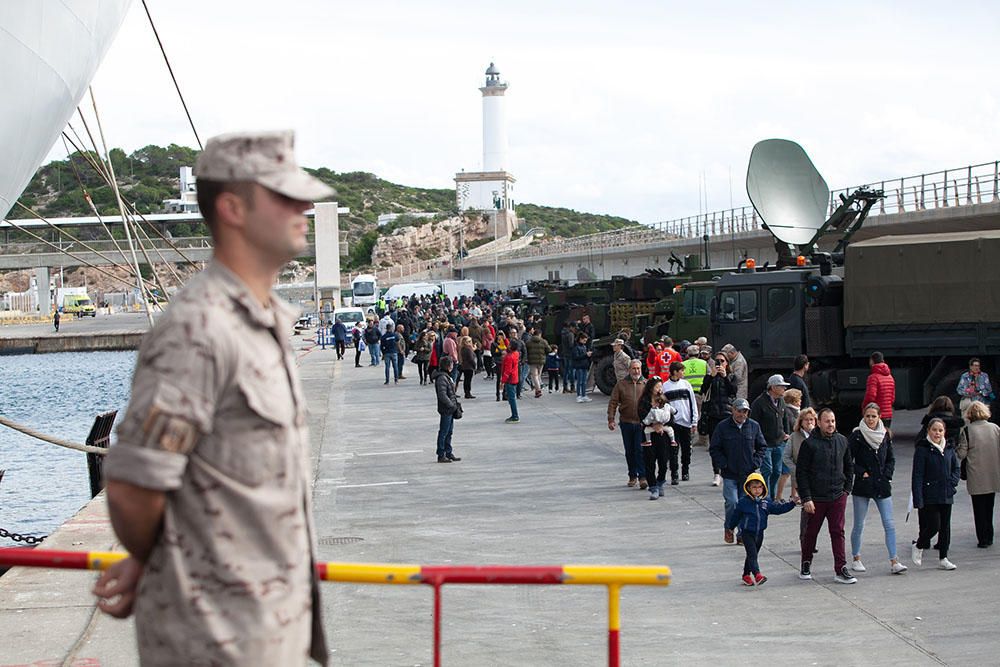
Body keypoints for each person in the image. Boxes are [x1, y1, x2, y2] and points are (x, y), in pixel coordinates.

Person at [93, 130, 331, 664]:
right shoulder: (199, 330)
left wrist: (162, 552)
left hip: (267, 631)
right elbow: (133, 487)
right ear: (233, 209)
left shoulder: (264, 321)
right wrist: (159, 559)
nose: (304, 207)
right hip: (216, 641)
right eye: (284, 196)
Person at [797, 407, 856, 584]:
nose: (830, 424)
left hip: (838, 496)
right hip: (816, 498)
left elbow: (849, 467)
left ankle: (841, 569)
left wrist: (847, 490)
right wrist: (806, 498)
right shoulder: (809, 444)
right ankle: (806, 563)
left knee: (838, 532)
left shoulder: (842, 441)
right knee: (811, 533)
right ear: (819, 422)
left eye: (833, 421)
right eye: (827, 421)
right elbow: (802, 472)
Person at [848, 403, 908, 575]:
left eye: (874, 416)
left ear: (879, 417)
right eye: (868, 416)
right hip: (863, 484)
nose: (871, 419)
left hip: (882, 483)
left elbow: (891, 458)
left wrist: (887, 474)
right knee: (859, 523)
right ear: (863, 417)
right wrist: (861, 473)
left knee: (889, 524)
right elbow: (848, 460)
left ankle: (894, 560)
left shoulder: (885, 435)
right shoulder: (857, 435)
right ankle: (856, 558)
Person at [709, 398, 766, 544]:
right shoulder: (722, 427)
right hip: (730, 474)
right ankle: (729, 528)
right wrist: (723, 464)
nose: (742, 414)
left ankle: (742, 534)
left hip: (747, 475)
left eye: (745, 411)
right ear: (733, 410)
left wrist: (756, 462)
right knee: (732, 503)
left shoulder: (754, 426)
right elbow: (715, 448)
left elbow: (762, 447)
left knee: (744, 504)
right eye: (739, 411)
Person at [727, 472, 795, 586]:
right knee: (752, 554)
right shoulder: (743, 502)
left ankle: (746, 575)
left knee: (752, 555)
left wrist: (792, 503)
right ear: (748, 488)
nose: (757, 490)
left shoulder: (766, 502)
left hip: (760, 533)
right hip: (747, 533)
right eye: (754, 487)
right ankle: (758, 575)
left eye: (759, 487)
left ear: (763, 487)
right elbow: (735, 516)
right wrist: (730, 528)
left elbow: (778, 509)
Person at [911, 417, 961, 570]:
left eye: (940, 430)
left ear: (944, 432)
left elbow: (956, 468)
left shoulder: (949, 448)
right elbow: (917, 475)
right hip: (930, 494)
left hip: (946, 493)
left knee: (945, 527)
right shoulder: (922, 449)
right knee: (934, 525)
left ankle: (943, 557)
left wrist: (952, 483)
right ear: (928, 431)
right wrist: (918, 498)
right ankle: (919, 545)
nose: (937, 433)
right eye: (934, 430)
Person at [957, 401, 1000, 548]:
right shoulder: (995, 428)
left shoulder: (967, 430)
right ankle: (990, 535)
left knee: (979, 508)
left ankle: (983, 539)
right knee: (990, 507)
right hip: (993, 473)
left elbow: (962, 454)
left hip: (976, 475)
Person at [608, 359, 648, 489]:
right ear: (629, 370)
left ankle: (643, 477)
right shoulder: (621, 384)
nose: (636, 371)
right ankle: (632, 475)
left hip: (641, 424)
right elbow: (613, 402)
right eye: (634, 368)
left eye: (638, 369)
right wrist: (611, 419)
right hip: (626, 423)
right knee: (629, 451)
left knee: (640, 450)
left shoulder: (646, 384)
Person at [750, 374, 791, 499]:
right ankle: (765, 497)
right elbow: (754, 424)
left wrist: (786, 433)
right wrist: (757, 441)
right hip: (765, 444)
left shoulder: (781, 401)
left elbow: (785, 419)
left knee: (777, 471)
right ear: (773, 387)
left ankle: (772, 497)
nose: (784, 389)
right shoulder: (759, 403)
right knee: (767, 470)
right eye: (782, 386)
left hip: (779, 443)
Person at [701, 353, 738, 487]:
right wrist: (710, 377)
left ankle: (728, 470)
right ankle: (716, 472)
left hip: (727, 413)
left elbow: (733, 391)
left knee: (729, 443)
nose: (719, 364)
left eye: (722, 361)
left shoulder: (731, 376)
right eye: (717, 361)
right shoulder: (711, 377)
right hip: (713, 414)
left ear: (727, 363)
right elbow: (703, 390)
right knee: (714, 444)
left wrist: (725, 377)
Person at [662, 361, 698, 484]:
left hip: (686, 422)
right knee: (673, 449)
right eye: (681, 370)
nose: (683, 373)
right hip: (672, 424)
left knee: (686, 449)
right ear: (675, 372)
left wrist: (694, 421)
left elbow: (692, 403)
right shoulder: (665, 387)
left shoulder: (686, 385)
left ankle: (685, 470)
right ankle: (674, 473)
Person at [785, 407, 817, 544]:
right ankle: (805, 539)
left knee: (817, 511)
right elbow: (786, 457)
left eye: (812, 419)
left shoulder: (819, 435)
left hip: (818, 479)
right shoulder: (794, 437)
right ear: (801, 422)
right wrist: (797, 471)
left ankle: (812, 540)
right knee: (807, 510)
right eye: (806, 420)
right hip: (801, 480)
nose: (809, 422)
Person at [641, 388, 675, 500]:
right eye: (657, 386)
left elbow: (672, 418)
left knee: (663, 462)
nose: (659, 388)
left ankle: (660, 482)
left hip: (663, 436)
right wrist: (652, 426)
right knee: (650, 463)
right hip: (650, 435)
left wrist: (662, 425)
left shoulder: (665, 403)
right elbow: (642, 418)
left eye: (661, 386)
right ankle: (653, 487)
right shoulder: (644, 401)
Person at [434, 357, 462, 463]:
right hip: (446, 409)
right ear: (447, 366)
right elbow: (442, 394)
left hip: (450, 409)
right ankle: (441, 454)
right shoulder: (442, 378)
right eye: (451, 365)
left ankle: (448, 452)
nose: (452, 367)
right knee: (444, 431)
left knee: (449, 432)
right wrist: (451, 405)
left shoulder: (446, 377)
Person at [777, 388, 802, 501]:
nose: (800, 401)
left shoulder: (792, 411)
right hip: (789, 444)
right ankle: (778, 496)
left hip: (792, 444)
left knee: (793, 473)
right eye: (799, 399)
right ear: (794, 401)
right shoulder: (790, 412)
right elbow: (792, 426)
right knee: (786, 472)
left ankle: (793, 495)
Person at [863, 351, 895, 428]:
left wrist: (864, 407)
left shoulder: (873, 377)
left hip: (876, 415)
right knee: (886, 436)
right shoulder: (890, 377)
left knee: (875, 437)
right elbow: (892, 398)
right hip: (888, 414)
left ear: (872, 361)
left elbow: (871, 396)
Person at [525, 327, 549, 398]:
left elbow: (526, 351)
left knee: (534, 376)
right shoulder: (544, 341)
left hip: (532, 361)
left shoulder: (528, 342)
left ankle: (538, 390)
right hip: (541, 361)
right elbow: (548, 349)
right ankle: (537, 390)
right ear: (540, 334)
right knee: (538, 375)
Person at [501, 338, 520, 423]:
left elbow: (507, 371)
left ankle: (515, 416)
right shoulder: (516, 354)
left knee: (511, 398)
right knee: (512, 397)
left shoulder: (509, 357)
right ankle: (514, 415)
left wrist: (503, 381)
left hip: (510, 379)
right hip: (514, 377)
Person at [571, 332, 593, 403]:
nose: (585, 342)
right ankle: (578, 396)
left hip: (584, 366)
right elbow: (576, 357)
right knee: (579, 382)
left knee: (584, 382)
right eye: (584, 340)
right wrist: (586, 355)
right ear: (580, 339)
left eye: (586, 341)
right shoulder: (576, 347)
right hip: (579, 366)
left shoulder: (584, 346)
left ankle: (584, 395)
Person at [492, 331, 509, 402]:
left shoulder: (505, 342)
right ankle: (498, 394)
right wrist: (500, 352)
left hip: (505, 362)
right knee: (499, 379)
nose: (500, 337)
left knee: (505, 378)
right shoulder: (494, 344)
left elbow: (509, 349)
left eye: (502, 335)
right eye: (499, 335)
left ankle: (504, 394)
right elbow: (493, 353)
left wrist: (505, 339)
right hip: (498, 362)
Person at [459, 335, 477, 399]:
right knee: (468, 380)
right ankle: (468, 393)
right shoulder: (468, 349)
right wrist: (474, 365)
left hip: (464, 365)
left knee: (466, 380)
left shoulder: (462, 348)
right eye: (469, 341)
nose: (470, 342)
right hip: (469, 366)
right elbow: (471, 359)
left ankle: (466, 392)